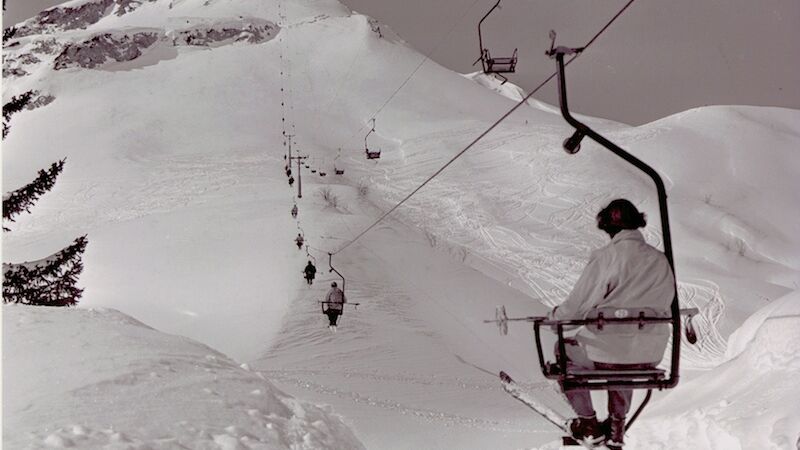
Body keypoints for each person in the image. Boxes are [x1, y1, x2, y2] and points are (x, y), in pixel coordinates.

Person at [550, 199, 675, 449]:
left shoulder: (607, 258)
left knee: (563, 350)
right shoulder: (660, 259)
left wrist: (555, 318)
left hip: (606, 352)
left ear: (607, 227)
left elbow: (577, 304)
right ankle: (617, 424)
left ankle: (588, 423)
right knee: (624, 354)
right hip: (649, 354)